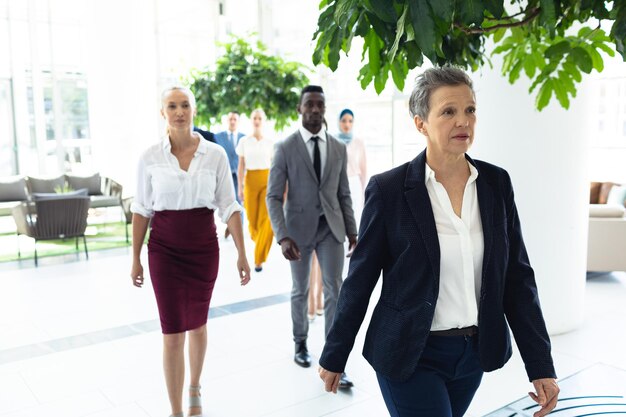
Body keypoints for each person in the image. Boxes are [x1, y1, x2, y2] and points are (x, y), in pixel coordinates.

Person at [318, 67, 560, 417]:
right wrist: (335, 352)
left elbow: (517, 278)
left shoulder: (496, 184)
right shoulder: (388, 191)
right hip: (408, 353)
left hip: (472, 356)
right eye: (448, 111)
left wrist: (541, 364)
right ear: (420, 123)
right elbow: (360, 278)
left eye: (470, 110)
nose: (463, 121)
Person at [130, 86, 251, 417]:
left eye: (185, 105)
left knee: (197, 324)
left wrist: (242, 253)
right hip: (164, 252)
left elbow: (230, 205)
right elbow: (141, 210)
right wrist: (135, 259)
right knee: (172, 332)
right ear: (162, 112)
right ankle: (175, 411)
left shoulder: (213, 155)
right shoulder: (149, 158)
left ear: (193, 110)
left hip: (203, 249)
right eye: (172, 106)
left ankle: (194, 387)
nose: (179, 111)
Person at [266, 85, 358, 389]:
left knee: (336, 289)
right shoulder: (285, 147)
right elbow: (273, 196)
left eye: (320, 105)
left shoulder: (338, 148)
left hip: (331, 228)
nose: (315, 109)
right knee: (300, 289)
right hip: (298, 231)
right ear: (300, 108)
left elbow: (344, 193)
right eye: (310, 105)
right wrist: (282, 236)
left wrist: (353, 231)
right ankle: (300, 344)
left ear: (324, 109)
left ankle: (333, 357)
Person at [236, 108, 274, 272]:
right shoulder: (244, 141)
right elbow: (241, 166)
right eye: (254, 118)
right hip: (250, 180)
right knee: (252, 222)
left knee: (267, 219)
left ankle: (258, 259)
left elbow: (274, 167)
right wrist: (240, 187)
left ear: (263, 121)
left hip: (267, 179)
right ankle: (260, 243)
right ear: (251, 121)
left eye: (259, 118)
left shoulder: (270, 142)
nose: (257, 121)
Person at [215, 111, 246, 238]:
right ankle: (229, 224)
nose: (232, 121)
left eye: (235, 119)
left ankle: (237, 231)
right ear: (227, 121)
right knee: (223, 202)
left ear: (238, 121)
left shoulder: (244, 138)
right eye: (230, 119)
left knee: (239, 202)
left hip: (238, 176)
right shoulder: (218, 137)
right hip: (222, 174)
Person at [336, 108, 367, 226]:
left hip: (354, 183)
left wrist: (364, 189)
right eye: (343, 120)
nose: (347, 124)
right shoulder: (333, 141)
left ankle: (354, 244)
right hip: (337, 182)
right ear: (339, 122)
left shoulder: (358, 142)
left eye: (350, 121)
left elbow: (363, 167)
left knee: (354, 215)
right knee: (339, 216)